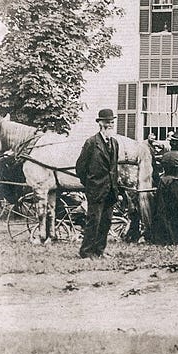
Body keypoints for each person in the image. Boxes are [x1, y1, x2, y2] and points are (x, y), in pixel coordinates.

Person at [76, 108, 122, 259]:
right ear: (100, 123)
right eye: (107, 122)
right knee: (93, 221)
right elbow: (80, 168)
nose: (110, 125)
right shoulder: (91, 142)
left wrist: (114, 186)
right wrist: (90, 184)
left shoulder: (114, 143)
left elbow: (114, 166)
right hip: (95, 189)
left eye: (112, 122)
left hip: (110, 190)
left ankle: (99, 251)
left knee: (106, 222)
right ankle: (86, 252)